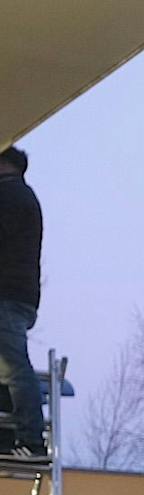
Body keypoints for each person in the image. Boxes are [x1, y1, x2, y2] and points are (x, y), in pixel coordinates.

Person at [0, 144, 45, 459]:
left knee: (14, 366)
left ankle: (30, 438)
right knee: (8, 365)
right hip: (17, 295)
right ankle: (13, 437)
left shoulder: (10, 196)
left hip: (7, 295)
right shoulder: (20, 196)